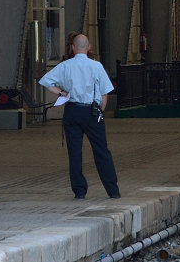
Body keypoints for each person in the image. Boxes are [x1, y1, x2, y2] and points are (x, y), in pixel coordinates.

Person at [39, 33, 120, 199]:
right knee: (101, 151)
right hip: (92, 111)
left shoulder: (65, 66)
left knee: (74, 152)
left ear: (73, 48)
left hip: (72, 111)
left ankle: (79, 191)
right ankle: (112, 190)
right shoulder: (96, 66)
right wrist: (100, 112)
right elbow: (104, 94)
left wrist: (62, 92)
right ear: (89, 48)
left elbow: (46, 81)